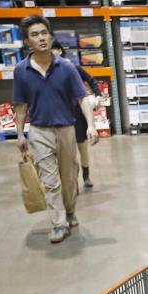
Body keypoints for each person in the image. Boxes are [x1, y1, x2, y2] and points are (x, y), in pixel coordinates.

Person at [12, 15, 86, 243]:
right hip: (39, 131)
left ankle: (70, 210)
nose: (41, 38)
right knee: (50, 180)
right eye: (34, 35)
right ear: (27, 41)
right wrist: (19, 133)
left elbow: (81, 98)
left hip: (66, 129)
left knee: (69, 177)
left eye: (44, 33)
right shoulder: (21, 70)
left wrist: (91, 126)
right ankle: (58, 223)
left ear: (51, 37)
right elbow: (21, 106)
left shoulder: (66, 67)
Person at [59, 45, 99, 189]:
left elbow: (91, 80)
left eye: (57, 50)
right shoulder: (49, 73)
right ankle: (72, 180)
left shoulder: (72, 68)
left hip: (78, 112)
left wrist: (98, 95)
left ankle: (86, 176)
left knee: (82, 147)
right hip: (62, 116)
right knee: (68, 151)